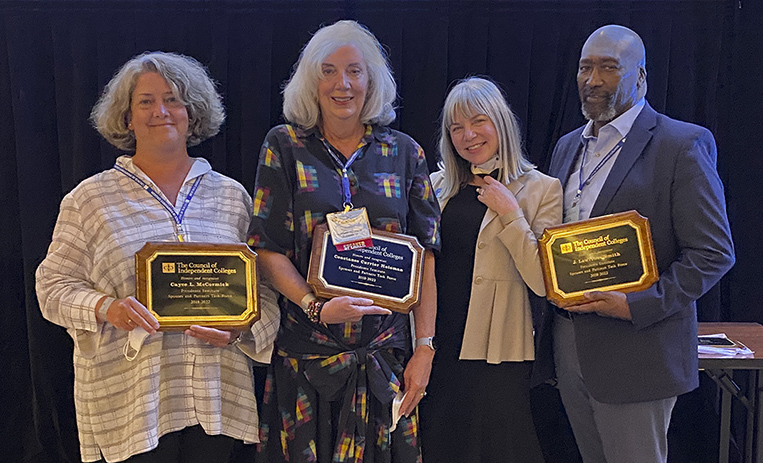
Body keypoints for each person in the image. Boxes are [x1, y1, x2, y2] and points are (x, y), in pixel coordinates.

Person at [36, 51, 277, 463]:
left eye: (173, 100)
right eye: (145, 102)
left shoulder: (233, 197)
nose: (160, 111)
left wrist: (239, 331)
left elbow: (265, 290)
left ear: (192, 112)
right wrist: (108, 309)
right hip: (131, 405)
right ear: (127, 117)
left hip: (216, 398)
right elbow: (51, 287)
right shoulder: (89, 200)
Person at [539, 25, 735, 463]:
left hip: (637, 350)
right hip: (570, 344)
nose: (593, 80)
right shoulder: (569, 145)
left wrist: (637, 304)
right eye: (586, 67)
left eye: (609, 67)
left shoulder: (680, 144)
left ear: (640, 77)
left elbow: (713, 252)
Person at [247, 20, 440, 462]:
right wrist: (316, 306)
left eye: (354, 71)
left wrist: (424, 349)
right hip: (306, 358)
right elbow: (267, 248)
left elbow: (424, 258)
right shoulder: (284, 145)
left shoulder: (405, 152)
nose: (343, 84)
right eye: (329, 71)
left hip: (385, 359)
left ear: (371, 80)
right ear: (311, 82)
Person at [420, 77, 562, 462]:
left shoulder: (541, 189)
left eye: (477, 122)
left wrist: (511, 213)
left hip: (499, 347)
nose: (468, 135)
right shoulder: (435, 186)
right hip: (437, 342)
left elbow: (543, 281)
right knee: (440, 444)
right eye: (456, 128)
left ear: (500, 122)